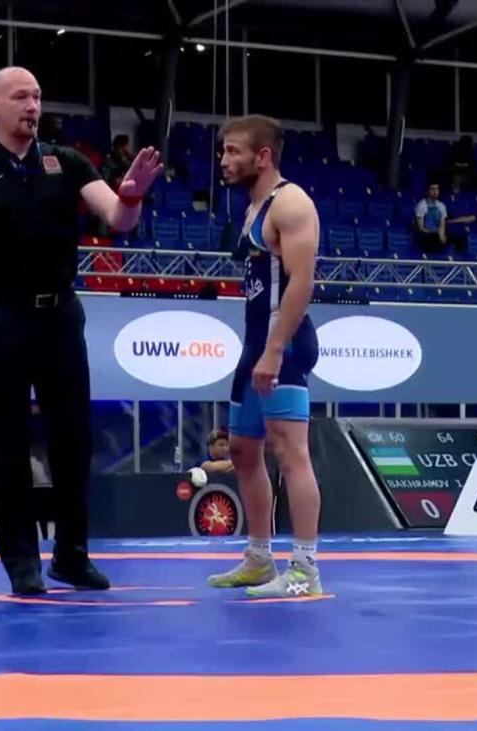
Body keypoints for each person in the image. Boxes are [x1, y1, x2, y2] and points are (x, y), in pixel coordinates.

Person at [0, 67, 162, 595]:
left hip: (60, 316)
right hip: (3, 317)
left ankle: (71, 555)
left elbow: (118, 218)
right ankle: (21, 560)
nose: (32, 105)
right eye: (21, 97)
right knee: (9, 442)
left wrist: (131, 195)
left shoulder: (69, 161)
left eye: (37, 96)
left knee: (73, 440)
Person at [207, 114, 324, 598]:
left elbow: (302, 282)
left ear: (264, 156)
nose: (223, 161)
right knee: (242, 451)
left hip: (284, 343)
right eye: (223, 151)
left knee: (290, 453)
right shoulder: (254, 207)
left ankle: (305, 569)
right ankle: (259, 558)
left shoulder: (290, 203)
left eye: (233, 151)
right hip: (256, 343)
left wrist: (275, 350)